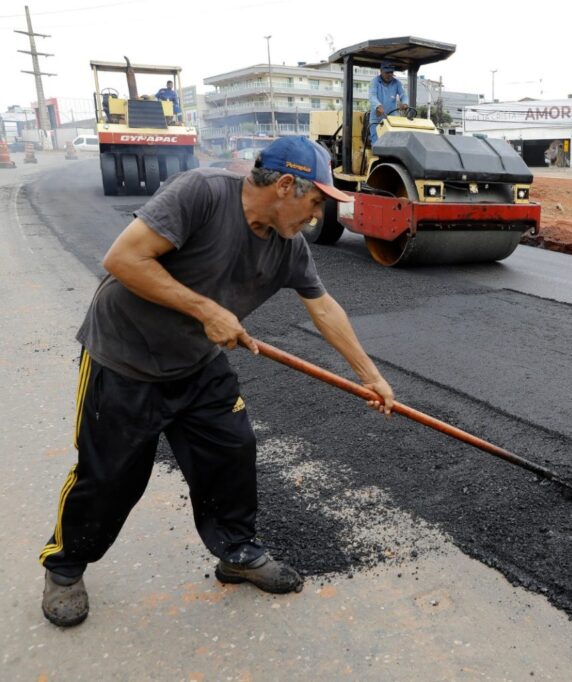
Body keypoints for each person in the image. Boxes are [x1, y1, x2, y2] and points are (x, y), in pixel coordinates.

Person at [38, 136, 395, 627]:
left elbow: (323, 306)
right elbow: (123, 260)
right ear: (286, 185)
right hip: (124, 357)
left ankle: (237, 553)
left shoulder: (288, 247)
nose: (316, 216)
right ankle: (65, 567)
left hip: (198, 365)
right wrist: (207, 309)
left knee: (231, 455)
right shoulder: (201, 194)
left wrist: (370, 376)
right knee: (109, 478)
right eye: (315, 201)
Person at [368, 61, 408, 145]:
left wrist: (404, 103)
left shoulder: (397, 83)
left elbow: (404, 95)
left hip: (391, 118)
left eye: (391, 72)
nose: (389, 75)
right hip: (377, 118)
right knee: (377, 143)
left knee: (394, 143)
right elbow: (372, 96)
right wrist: (378, 105)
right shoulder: (374, 82)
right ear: (381, 71)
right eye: (387, 72)